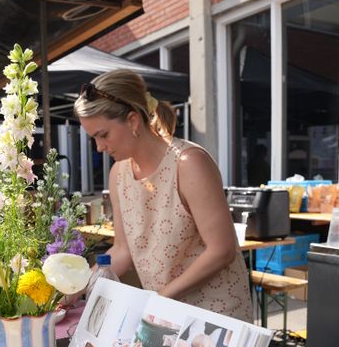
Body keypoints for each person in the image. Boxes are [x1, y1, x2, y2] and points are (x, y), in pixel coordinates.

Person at [74, 71, 252, 322]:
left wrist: (157, 301)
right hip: (163, 312)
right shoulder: (118, 174)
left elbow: (221, 250)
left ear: (133, 120)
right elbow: (122, 250)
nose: (99, 147)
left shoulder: (189, 163)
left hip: (215, 316)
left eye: (103, 135)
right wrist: (75, 288)